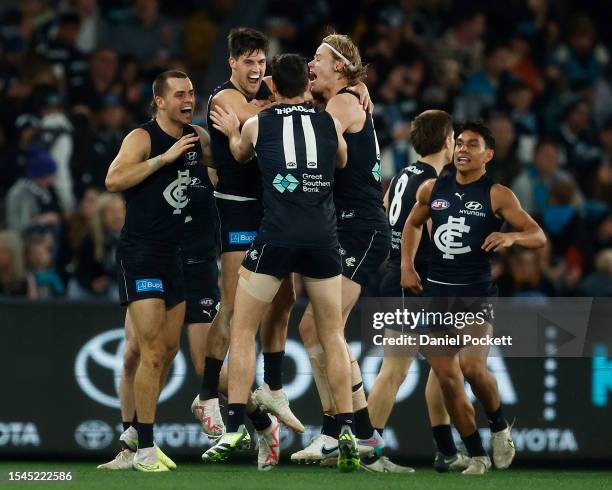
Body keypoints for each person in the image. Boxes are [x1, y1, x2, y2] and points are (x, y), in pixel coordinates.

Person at [204, 53, 360, 473]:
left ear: (272, 87)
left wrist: (237, 129)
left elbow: (237, 154)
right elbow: (342, 159)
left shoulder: (259, 123)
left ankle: (235, 422)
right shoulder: (327, 122)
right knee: (333, 334)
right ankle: (345, 426)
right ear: (307, 87)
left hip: (276, 236)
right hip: (323, 240)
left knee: (241, 326)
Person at [401, 121, 546, 474]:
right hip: (435, 294)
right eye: (460, 143)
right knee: (449, 381)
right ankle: (476, 454)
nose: (463, 150)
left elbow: (537, 235)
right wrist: (407, 265)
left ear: (489, 154)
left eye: (473, 145)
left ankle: (498, 426)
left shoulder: (498, 194)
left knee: (471, 368)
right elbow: (413, 223)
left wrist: (511, 239)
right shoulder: (432, 188)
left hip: (475, 296)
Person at [195, 27, 300, 438]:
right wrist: (283, 100)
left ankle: (270, 387)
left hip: (270, 211)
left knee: (284, 300)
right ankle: (207, 395)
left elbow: (273, 114)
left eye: (262, 62)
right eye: (249, 62)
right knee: (235, 305)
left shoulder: (264, 95)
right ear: (232, 63)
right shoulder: (224, 97)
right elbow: (255, 126)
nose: (256, 69)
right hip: (236, 211)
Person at [291, 33, 388, 467]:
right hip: (344, 229)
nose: (312, 64)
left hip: (362, 229)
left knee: (322, 327)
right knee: (318, 330)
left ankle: (335, 432)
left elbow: (321, 153)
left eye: (318, 58)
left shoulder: (345, 103)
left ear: (342, 67)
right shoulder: (345, 100)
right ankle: (362, 434)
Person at [103, 70, 207, 472]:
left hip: (176, 254)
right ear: (160, 101)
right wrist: (164, 158)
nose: (188, 98)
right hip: (142, 253)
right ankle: (144, 444)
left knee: (166, 351)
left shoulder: (197, 138)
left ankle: (133, 436)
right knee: (147, 351)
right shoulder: (142, 138)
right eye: (180, 93)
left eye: (192, 92)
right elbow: (114, 179)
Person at [365, 109, 455, 473]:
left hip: (408, 278)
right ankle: (368, 450)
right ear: (447, 140)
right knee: (396, 370)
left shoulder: (405, 173)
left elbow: (385, 211)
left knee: (445, 366)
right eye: (454, 137)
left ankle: (447, 450)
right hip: (414, 280)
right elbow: (435, 236)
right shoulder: (434, 183)